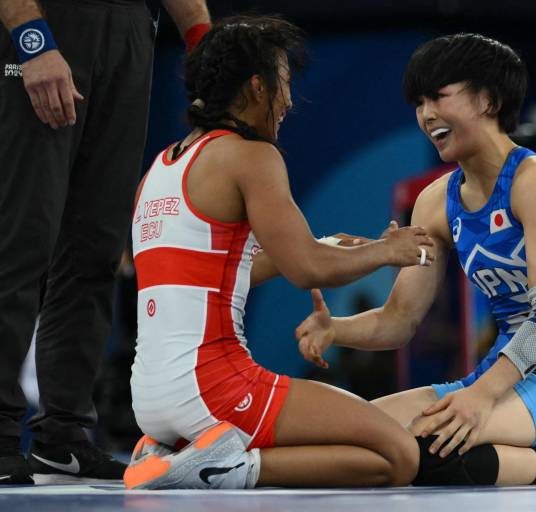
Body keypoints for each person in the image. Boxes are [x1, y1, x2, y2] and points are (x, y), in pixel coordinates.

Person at [123, 16, 436, 490]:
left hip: (148, 398)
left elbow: (216, 278)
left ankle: (174, 450)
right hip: (214, 386)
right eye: (284, 83)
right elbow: (307, 267)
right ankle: (229, 468)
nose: (289, 101)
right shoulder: (251, 156)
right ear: (256, 87)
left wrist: (331, 247)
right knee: (397, 454)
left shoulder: (162, 167)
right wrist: (387, 252)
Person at [295, 33, 536, 486]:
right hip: (495, 377)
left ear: (488, 99)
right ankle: (523, 443)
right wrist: (337, 329)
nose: (426, 115)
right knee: (359, 439)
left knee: (423, 452)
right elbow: (399, 321)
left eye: (438, 97)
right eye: (419, 103)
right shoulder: (434, 202)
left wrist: (479, 398)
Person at [0, 0, 212, 485]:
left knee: (96, 248)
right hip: (49, 26)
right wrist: (32, 41)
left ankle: (64, 436)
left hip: (132, 30)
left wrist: (203, 43)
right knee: (21, 239)